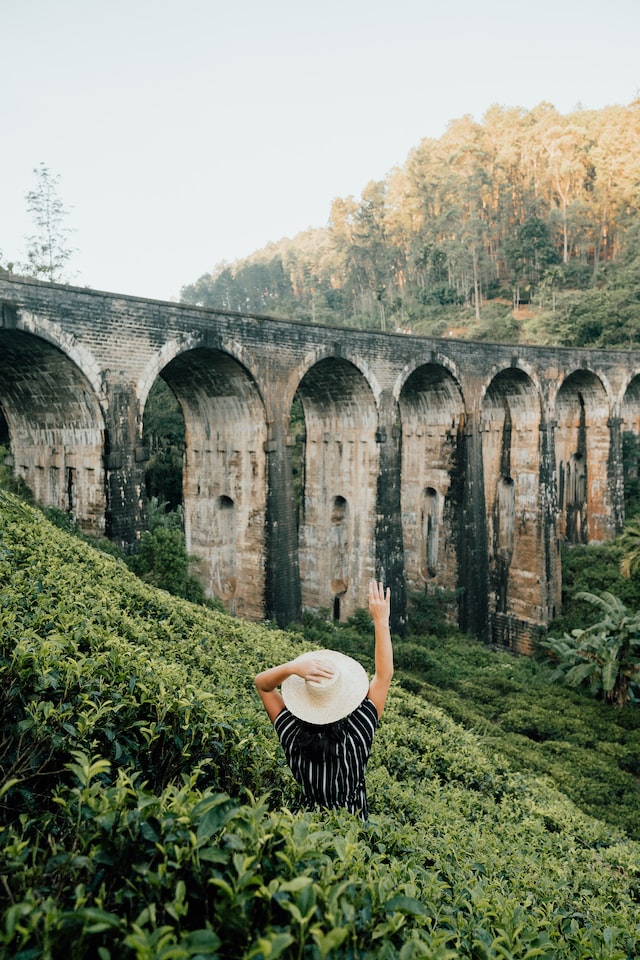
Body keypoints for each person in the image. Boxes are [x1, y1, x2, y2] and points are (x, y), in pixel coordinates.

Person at [254, 580, 393, 820]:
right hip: (352, 831)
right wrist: (381, 621)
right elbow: (384, 676)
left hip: (307, 831)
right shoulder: (357, 735)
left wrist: (293, 668)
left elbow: (262, 685)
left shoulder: (291, 735)